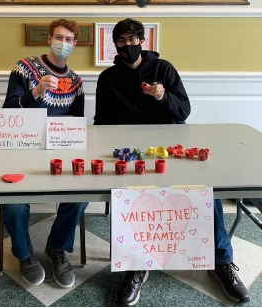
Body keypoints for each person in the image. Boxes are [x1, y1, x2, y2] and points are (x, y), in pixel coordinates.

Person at [94, 18, 250, 306]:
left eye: (133, 39)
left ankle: (221, 262)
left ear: (142, 41)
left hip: (172, 147)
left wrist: (164, 96)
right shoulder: (107, 79)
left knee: (207, 188)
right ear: (114, 44)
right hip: (130, 154)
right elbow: (100, 123)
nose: (128, 45)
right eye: (122, 41)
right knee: (131, 195)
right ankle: (137, 263)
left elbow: (184, 110)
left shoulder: (163, 69)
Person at [1, 19, 88, 289]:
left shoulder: (76, 82)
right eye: (59, 37)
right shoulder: (24, 68)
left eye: (69, 40)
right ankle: (25, 255)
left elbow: (77, 123)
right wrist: (36, 92)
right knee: (13, 203)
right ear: (49, 38)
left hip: (59, 154)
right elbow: (6, 112)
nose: (63, 43)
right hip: (21, 151)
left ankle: (57, 248)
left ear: (75, 44)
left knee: (81, 197)